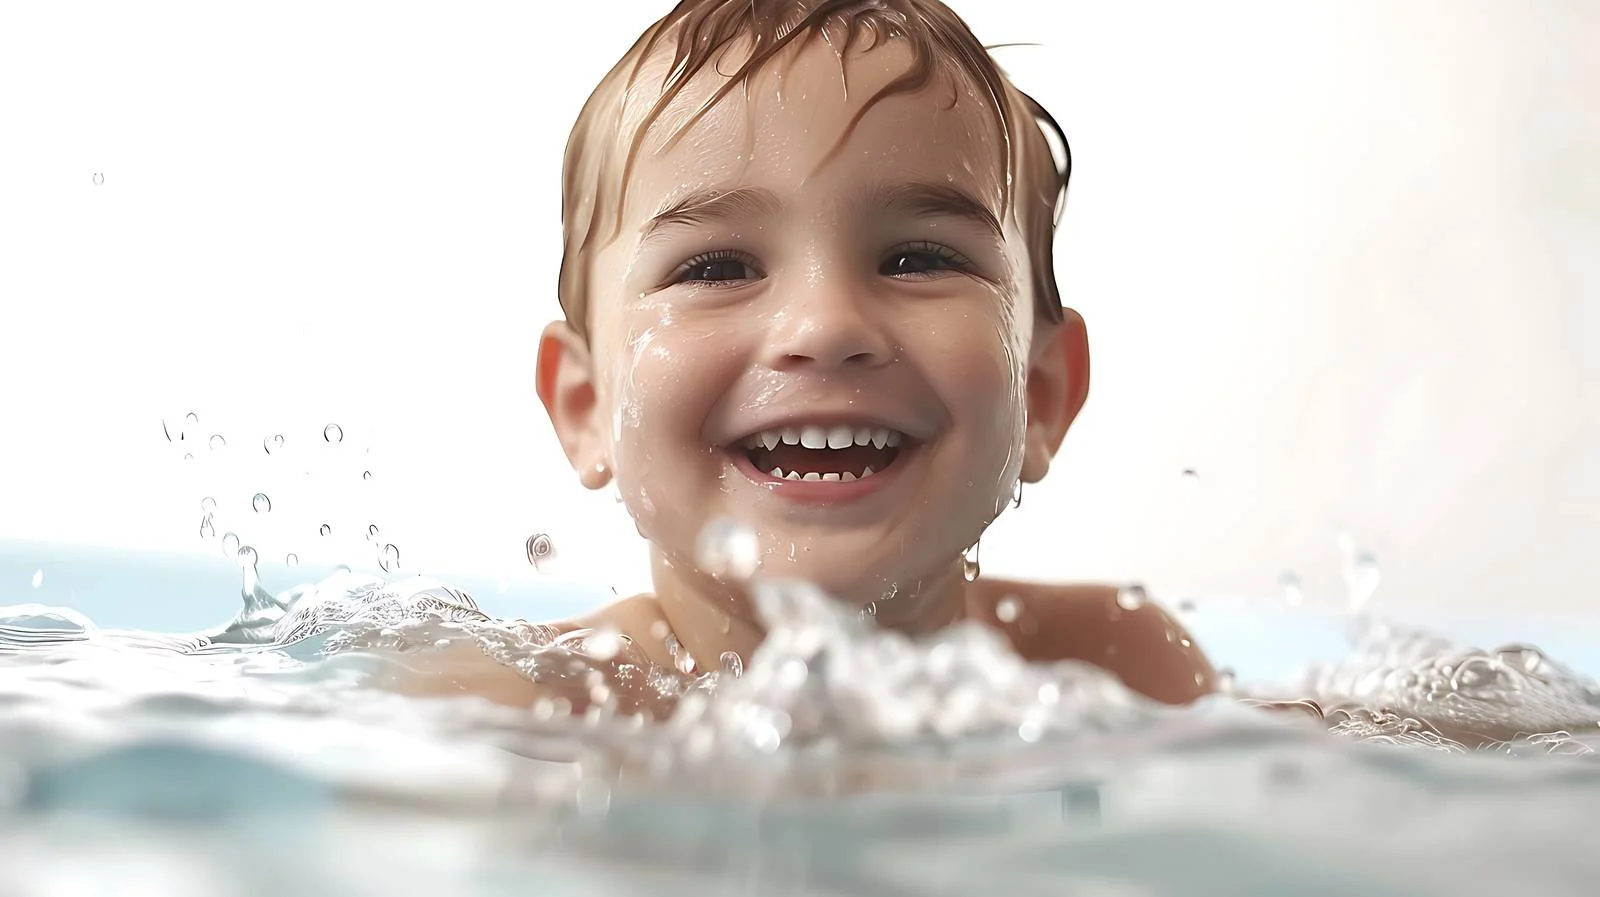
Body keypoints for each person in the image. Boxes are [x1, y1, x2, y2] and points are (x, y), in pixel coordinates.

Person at [399, 0, 1216, 713]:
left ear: (1041, 392)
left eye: (919, 258)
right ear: (586, 408)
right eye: (716, 268)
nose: (825, 325)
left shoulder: (1117, 664)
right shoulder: (526, 704)